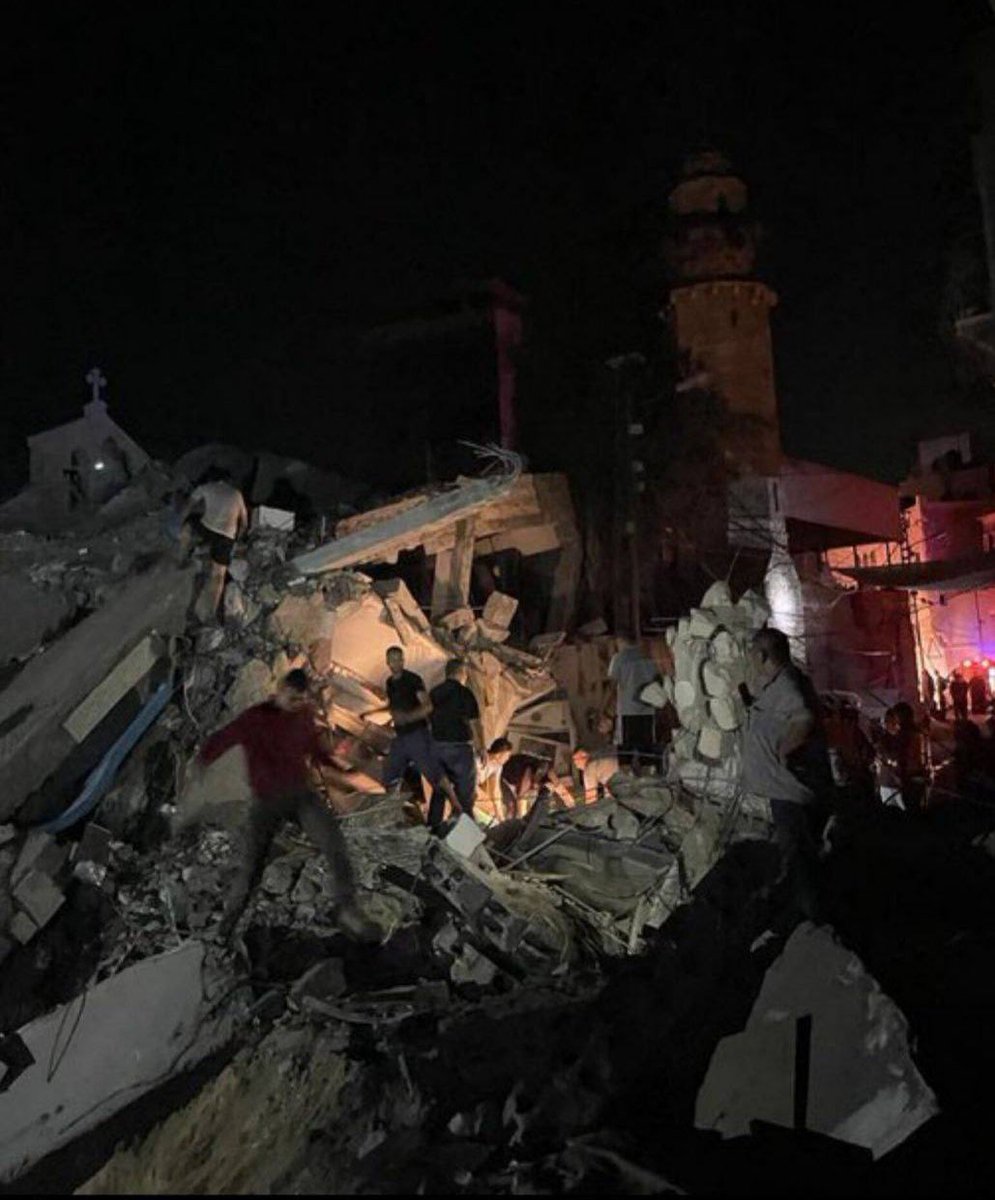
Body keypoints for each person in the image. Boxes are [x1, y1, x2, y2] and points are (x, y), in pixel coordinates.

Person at [193, 669, 369, 940]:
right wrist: (202, 762)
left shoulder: (303, 716)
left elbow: (315, 750)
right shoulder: (255, 719)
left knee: (335, 847)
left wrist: (342, 770)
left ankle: (347, 910)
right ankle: (225, 927)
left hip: (300, 795)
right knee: (251, 867)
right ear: (280, 691)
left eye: (301, 700)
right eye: (292, 698)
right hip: (267, 801)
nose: (296, 704)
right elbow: (223, 738)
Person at [741, 627, 832, 922]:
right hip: (784, 792)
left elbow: (803, 718)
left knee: (800, 861)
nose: (751, 659)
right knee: (796, 858)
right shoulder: (780, 683)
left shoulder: (788, 684)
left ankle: (814, 925)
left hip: (790, 794)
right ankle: (805, 916)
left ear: (764, 655)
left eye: (753, 653)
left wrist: (783, 753)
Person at [365, 647, 458, 832]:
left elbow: (427, 706)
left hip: (417, 734)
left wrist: (408, 717)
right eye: (392, 660)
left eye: (399, 659)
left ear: (403, 660)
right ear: (387, 662)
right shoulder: (390, 683)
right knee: (390, 774)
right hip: (401, 737)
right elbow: (394, 708)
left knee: (434, 774)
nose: (395, 664)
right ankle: (392, 815)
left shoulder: (412, 680)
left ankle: (456, 806)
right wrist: (377, 716)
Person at [178, 470, 249, 623]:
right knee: (218, 575)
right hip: (226, 536)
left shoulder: (206, 487)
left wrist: (179, 524)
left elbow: (188, 507)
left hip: (207, 529)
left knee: (189, 525)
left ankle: (183, 555)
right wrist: (237, 540)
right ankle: (210, 613)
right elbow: (244, 523)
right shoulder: (236, 494)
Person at [430, 659, 484, 822]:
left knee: (440, 790)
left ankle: (433, 828)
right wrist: (481, 748)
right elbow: (475, 723)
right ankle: (463, 829)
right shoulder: (465, 693)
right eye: (465, 673)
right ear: (461, 673)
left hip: (437, 747)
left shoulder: (434, 693)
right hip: (459, 749)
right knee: (465, 792)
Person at [607, 632, 660, 769]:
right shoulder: (648, 657)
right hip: (647, 711)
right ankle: (649, 778)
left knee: (626, 752)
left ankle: (626, 781)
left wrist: (605, 710)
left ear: (620, 641)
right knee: (647, 752)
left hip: (627, 711)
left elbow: (612, 686)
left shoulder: (618, 659)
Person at [873, 703, 926, 814]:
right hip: (894, 783)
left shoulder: (908, 736)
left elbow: (904, 759)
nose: (895, 723)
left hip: (905, 784)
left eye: (896, 718)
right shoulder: (910, 735)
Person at [475, 737, 514, 823]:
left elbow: (495, 789)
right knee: (489, 808)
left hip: (475, 788)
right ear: (499, 753)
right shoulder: (478, 760)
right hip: (466, 787)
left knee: (497, 808)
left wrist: (500, 815)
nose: (508, 759)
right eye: (507, 755)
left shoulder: (498, 766)